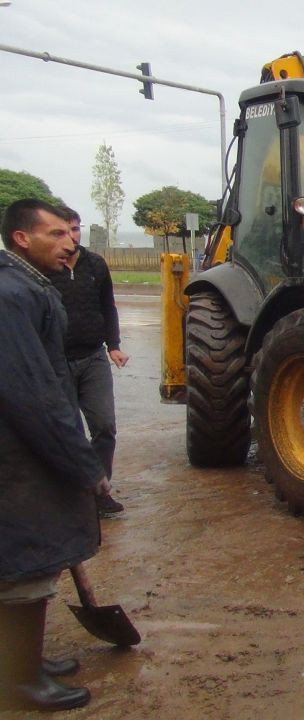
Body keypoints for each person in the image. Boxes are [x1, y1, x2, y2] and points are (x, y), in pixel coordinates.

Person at [1, 199, 108, 711]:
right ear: (23, 238)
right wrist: (81, 463)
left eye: (71, 233)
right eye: (57, 234)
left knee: (28, 561)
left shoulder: (28, 285)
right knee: (25, 565)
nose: (70, 241)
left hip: (28, 450)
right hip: (18, 458)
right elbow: (35, 394)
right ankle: (19, 680)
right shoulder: (10, 296)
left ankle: (24, 660)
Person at [49, 207, 127, 518]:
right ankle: (71, 495)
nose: (72, 236)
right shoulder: (44, 269)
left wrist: (114, 345)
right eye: (63, 230)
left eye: (76, 229)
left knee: (104, 426)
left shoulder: (95, 264)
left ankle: (100, 490)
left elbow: (108, 306)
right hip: (57, 361)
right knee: (67, 430)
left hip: (93, 357)